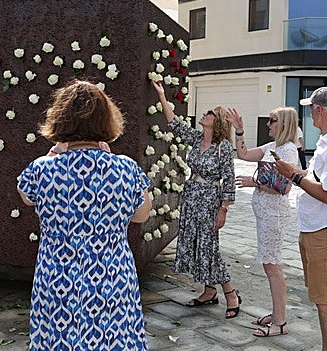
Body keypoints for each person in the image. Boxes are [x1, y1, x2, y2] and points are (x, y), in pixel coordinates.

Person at [17, 80, 152, 350]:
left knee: (56, 341)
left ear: (59, 119)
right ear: (106, 118)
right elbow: (141, 216)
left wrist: (53, 153)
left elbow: (27, 197)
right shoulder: (126, 169)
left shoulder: (41, 169)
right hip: (112, 280)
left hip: (57, 281)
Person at [275, 86, 327, 351]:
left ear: (319, 110)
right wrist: (294, 171)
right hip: (315, 228)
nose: (310, 115)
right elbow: (317, 178)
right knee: (322, 300)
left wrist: (293, 175)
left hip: (325, 230)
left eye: (311, 109)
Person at [151, 81, 241, 319]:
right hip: (191, 197)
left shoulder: (222, 147)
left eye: (209, 113)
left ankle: (230, 292)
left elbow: (229, 181)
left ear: (217, 121)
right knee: (197, 244)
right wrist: (161, 94)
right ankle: (209, 291)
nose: (204, 114)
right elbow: (174, 124)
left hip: (211, 200)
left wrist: (224, 209)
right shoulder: (196, 137)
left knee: (209, 246)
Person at [226, 107, 299, 337]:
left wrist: (253, 182)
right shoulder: (271, 148)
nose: (268, 124)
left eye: (272, 120)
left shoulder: (288, 151)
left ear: (285, 123)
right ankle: (277, 315)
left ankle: (280, 322)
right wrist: (239, 131)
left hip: (274, 215)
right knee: (269, 265)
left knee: (272, 266)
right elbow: (244, 154)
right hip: (265, 214)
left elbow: (283, 187)